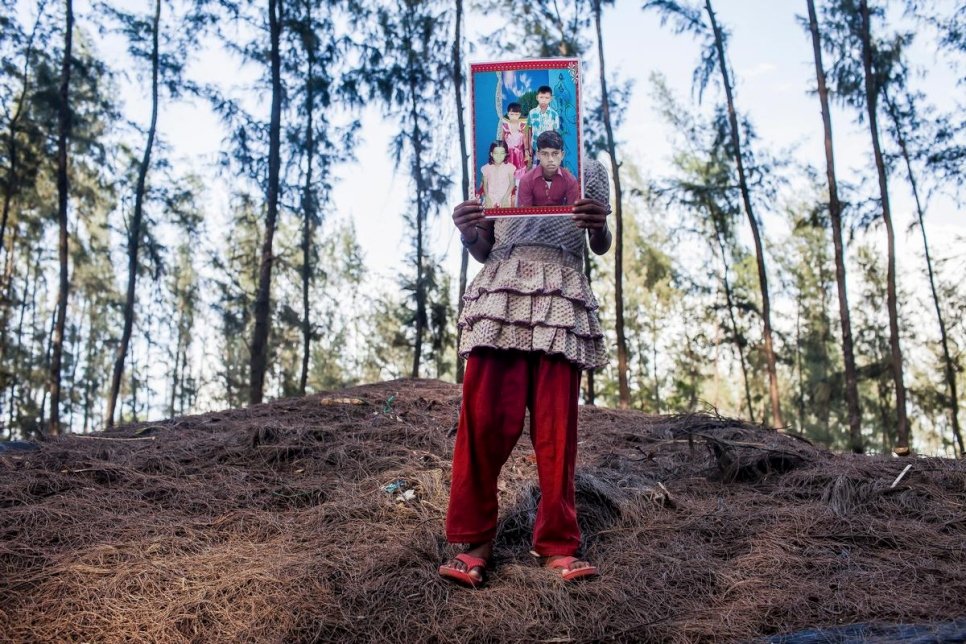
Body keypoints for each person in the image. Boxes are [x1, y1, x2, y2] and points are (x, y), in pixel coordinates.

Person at [437, 133, 613, 588]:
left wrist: (598, 226)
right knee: (483, 419)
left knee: (557, 427)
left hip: (559, 289)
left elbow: (600, 243)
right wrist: (468, 229)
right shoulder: (502, 165)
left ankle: (558, 543)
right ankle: (473, 541)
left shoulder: (590, 169)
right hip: (502, 291)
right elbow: (482, 247)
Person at [516, 131, 578, 208]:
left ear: (562, 155)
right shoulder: (526, 181)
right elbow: (524, 216)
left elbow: (574, 214)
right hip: (533, 220)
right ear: (538, 155)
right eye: (545, 154)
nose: (550, 159)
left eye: (555, 154)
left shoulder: (570, 180)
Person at [525, 85, 560, 166]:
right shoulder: (532, 112)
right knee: (536, 167)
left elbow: (555, 133)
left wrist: (554, 148)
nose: (544, 100)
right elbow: (529, 130)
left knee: (547, 167)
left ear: (551, 99)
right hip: (535, 146)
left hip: (549, 147)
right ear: (537, 97)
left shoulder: (554, 114)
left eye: (547, 98)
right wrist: (529, 147)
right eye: (541, 97)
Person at [480, 141, 516, 208]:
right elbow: (484, 185)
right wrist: (487, 198)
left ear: (506, 154)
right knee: (489, 211)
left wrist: (505, 197)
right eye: (496, 153)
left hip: (505, 196)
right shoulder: (486, 168)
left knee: (505, 211)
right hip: (491, 197)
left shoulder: (510, 167)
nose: (499, 156)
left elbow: (512, 184)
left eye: (502, 153)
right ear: (491, 154)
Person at [498, 102, 529, 179]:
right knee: (508, 168)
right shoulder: (505, 126)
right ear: (508, 114)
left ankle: (519, 183)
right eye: (512, 114)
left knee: (520, 167)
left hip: (519, 152)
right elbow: (502, 139)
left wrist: (526, 150)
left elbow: (525, 138)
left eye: (516, 114)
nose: (514, 116)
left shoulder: (522, 125)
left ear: (519, 114)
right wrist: (501, 149)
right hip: (508, 152)